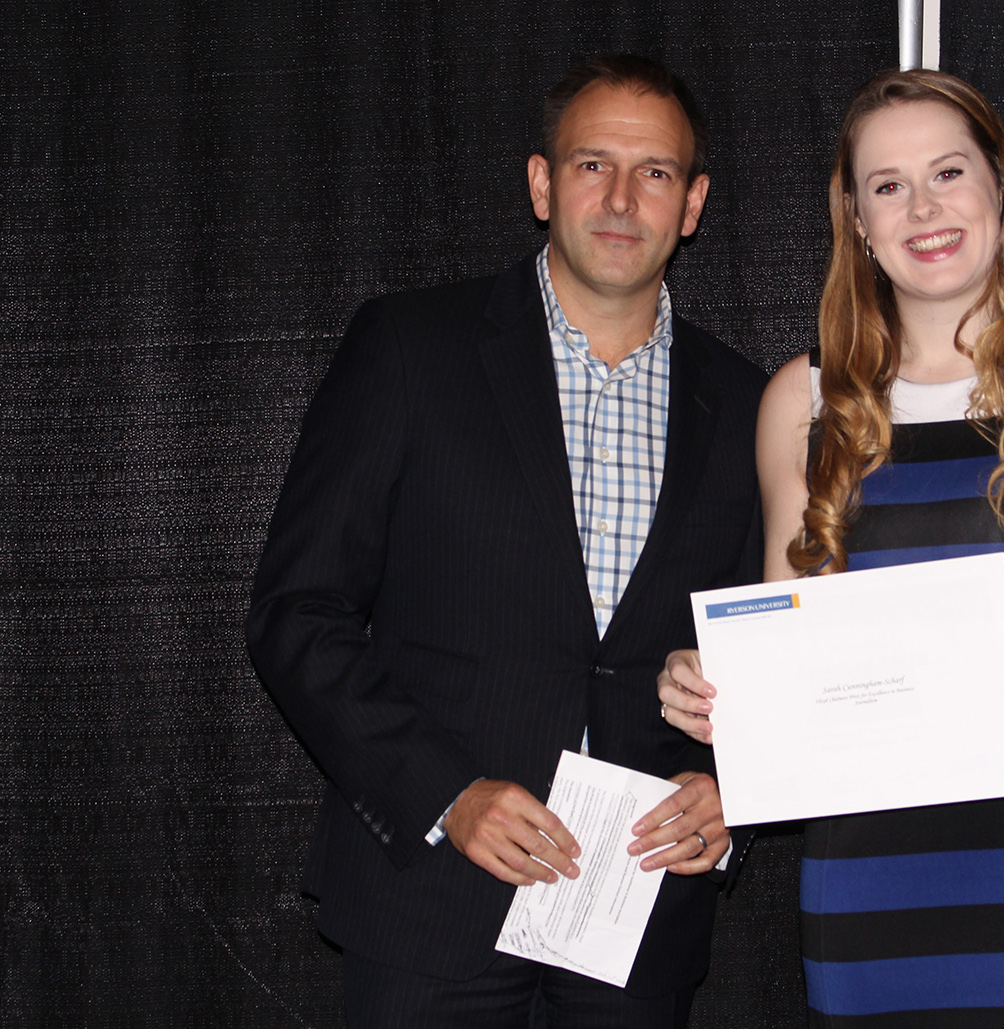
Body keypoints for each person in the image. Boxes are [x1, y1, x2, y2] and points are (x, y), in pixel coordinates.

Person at [659, 69, 1004, 1027]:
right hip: (871, 879)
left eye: (948, 172)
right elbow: (787, 652)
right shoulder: (803, 403)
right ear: (858, 221)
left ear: (1000, 188)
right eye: (889, 185)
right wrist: (715, 687)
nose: (923, 208)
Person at [246, 55, 766, 1028]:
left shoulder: (750, 406)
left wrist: (734, 791)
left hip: (638, 920)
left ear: (692, 203)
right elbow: (297, 612)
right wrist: (447, 794)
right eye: (592, 164)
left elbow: (766, 650)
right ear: (541, 183)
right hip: (429, 906)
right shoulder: (409, 349)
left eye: (654, 171)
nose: (621, 198)